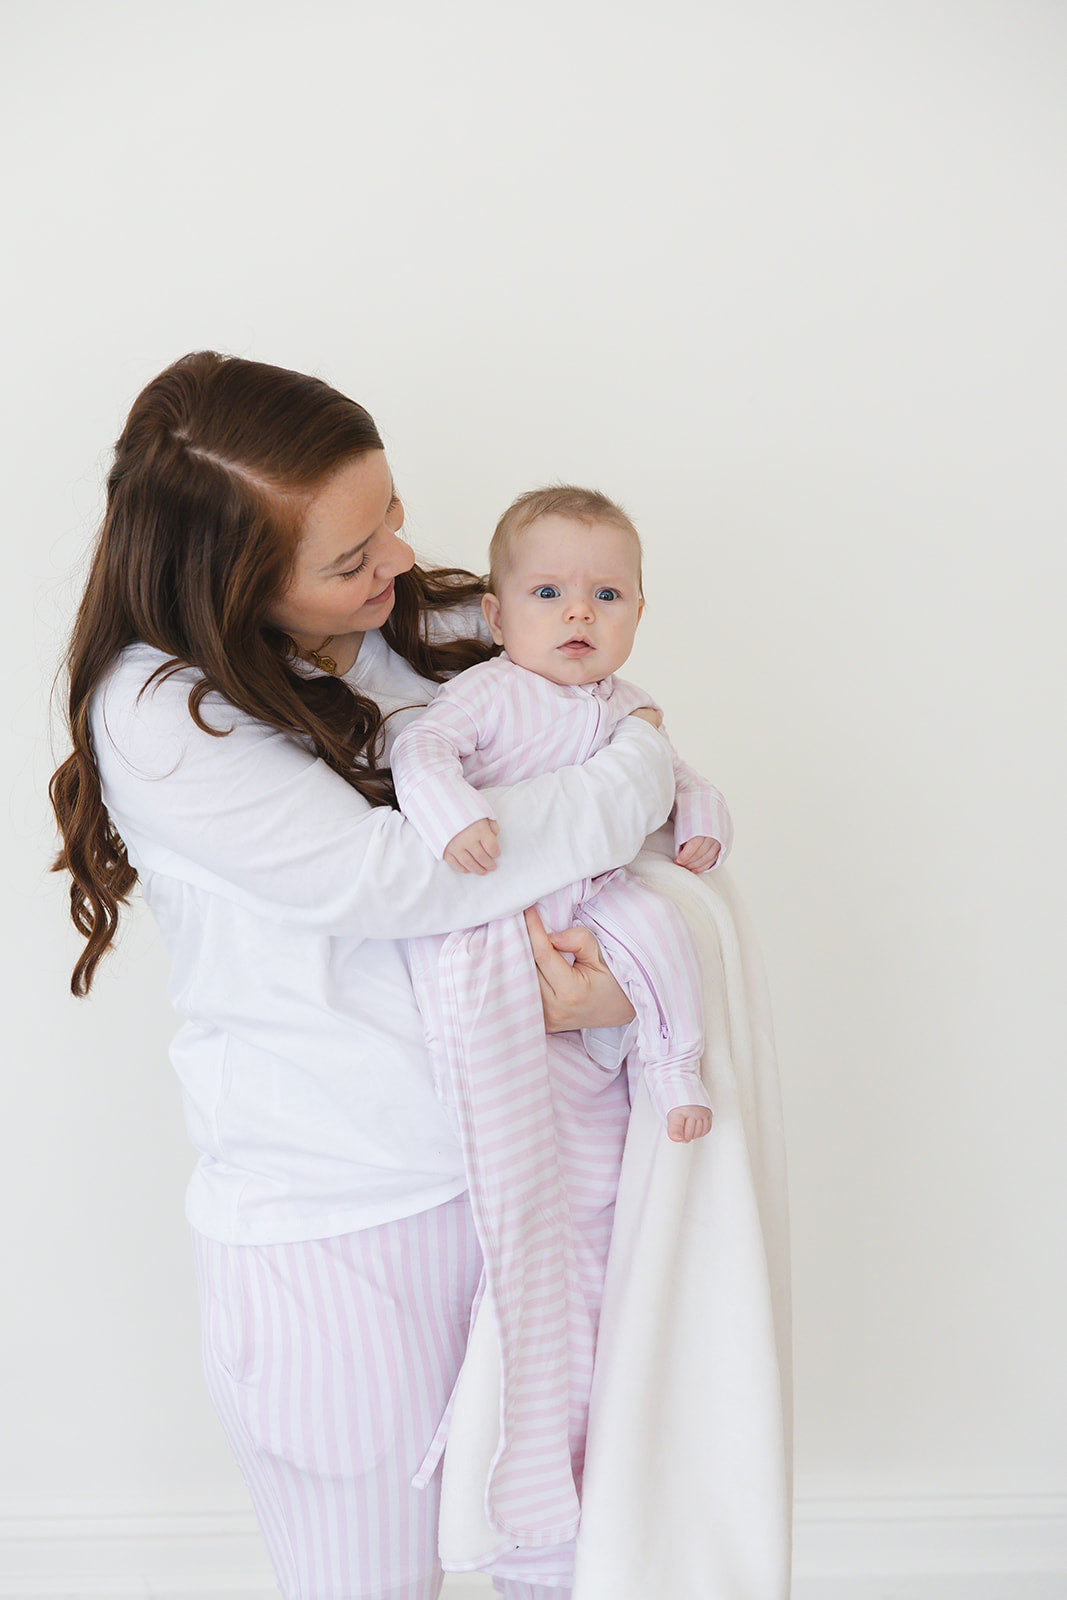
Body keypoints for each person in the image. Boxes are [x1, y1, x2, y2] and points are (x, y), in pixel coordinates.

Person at [48, 352, 681, 1600]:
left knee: (566, 1559)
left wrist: (629, 969)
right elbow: (407, 876)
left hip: (512, 1177)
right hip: (338, 1234)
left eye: (388, 513)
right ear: (231, 582)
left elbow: (591, 706)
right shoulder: (163, 714)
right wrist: (630, 783)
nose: (395, 558)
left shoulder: (411, 627)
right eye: (351, 555)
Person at [392, 484, 733, 1143]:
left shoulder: (625, 703)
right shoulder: (488, 692)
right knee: (488, 1034)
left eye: (606, 596)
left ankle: (671, 1065)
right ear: (495, 618)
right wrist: (452, 815)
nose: (578, 612)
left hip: (596, 896)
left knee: (665, 929)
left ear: (637, 612)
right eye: (547, 594)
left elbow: (674, 771)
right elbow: (422, 746)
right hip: (505, 897)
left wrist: (701, 820)